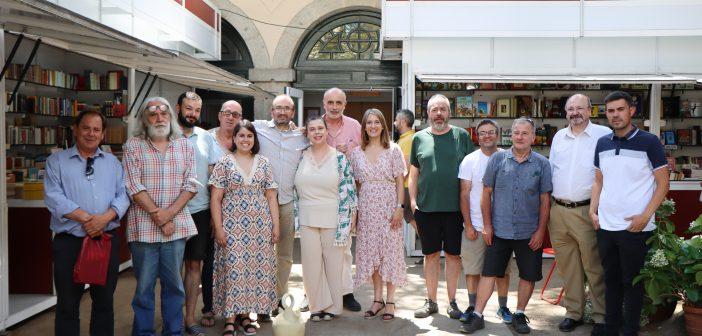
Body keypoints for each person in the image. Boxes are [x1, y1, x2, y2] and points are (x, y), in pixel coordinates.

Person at [461, 117, 552, 335]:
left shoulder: (542, 163)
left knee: (528, 275)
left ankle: (519, 314)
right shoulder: (498, 160)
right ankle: (478, 315)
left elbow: (545, 200)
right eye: (516, 133)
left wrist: (541, 231)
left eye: (524, 133)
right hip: (499, 230)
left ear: (532, 137)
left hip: (529, 232)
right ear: (511, 135)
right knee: (489, 273)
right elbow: (486, 194)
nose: (519, 137)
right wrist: (488, 226)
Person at [590, 91, 669, 336]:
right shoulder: (602, 143)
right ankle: (611, 328)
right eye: (610, 110)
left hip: (635, 227)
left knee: (632, 282)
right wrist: (593, 211)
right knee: (610, 280)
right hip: (605, 226)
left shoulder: (649, 142)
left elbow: (663, 183)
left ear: (631, 111)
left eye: (620, 109)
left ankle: (630, 330)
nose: (615, 115)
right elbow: (598, 181)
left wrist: (645, 217)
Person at [44, 111, 130, 336]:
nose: (91, 134)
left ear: (103, 134)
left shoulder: (113, 163)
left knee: (103, 304)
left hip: (104, 242)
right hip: (69, 244)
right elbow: (53, 197)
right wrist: (86, 218)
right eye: (86, 128)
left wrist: (104, 219)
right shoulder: (56, 162)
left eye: (96, 129)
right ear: (75, 129)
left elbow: (123, 195)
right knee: (67, 305)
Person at [123, 97, 198, 335]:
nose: (159, 118)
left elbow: (192, 184)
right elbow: (133, 186)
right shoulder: (133, 145)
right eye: (153, 113)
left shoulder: (185, 145)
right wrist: (160, 216)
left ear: (171, 117)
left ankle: (173, 332)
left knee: (174, 286)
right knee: (144, 288)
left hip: (175, 229)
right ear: (145, 118)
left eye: (164, 113)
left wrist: (169, 215)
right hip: (143, 230)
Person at [209, 120, 280, 336]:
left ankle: (247, 316)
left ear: (254, 140)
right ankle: (230, 319)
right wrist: (219, 228)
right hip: (232, 227)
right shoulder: (224, 163)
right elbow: (215, 199)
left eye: (249, 136)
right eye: (241, 136)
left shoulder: (264, 163)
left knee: (252, 271)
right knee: (233, 270)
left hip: (259, 228)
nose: (245, 140)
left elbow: (271, 196)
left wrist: (276, 226)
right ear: (234, 138)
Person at [549, 94, 611, 333]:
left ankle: (601, 316)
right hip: (558, 210)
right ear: (566, 112)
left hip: (587, 210)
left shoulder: (603, 135)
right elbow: (554, 170)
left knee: (593, 266)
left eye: (580, 108)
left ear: (590, 111)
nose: (575, 113)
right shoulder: (558, 137)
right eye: (570, 109)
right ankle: (573, 313)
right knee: (568, 266)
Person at [408, 94, 474, 319]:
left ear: (449, 112)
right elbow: (413, 174)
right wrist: (413, 202)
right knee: (431, 255)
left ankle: (453, 301)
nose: (438, 113)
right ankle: (431, 301)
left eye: (443, 109)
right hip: (427, 209)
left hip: (455, 210)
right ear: (427, 113)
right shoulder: (419, 138)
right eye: (434, 109)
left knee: (454, 256)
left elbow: (471, 173)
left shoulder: (462, 136)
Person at [294, 116, 357, 322]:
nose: (317, 132)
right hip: (306, 217)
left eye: (320, 128)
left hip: (333, 217)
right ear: (307, 133)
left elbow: (349, 191)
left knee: (333, 263)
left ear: (326, 132)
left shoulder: (339, 158)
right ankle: (316, 306)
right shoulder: (300, 156)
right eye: (312, 129)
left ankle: (333, 306)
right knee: (311, 265)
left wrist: (349, 221)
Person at [252, 94, 308, 319]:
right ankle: (261, 301)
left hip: (286, 203)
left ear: (293, 112)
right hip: (260, 203)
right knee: (261, 255)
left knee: (284, 255)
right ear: (271, 111)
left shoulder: (302, 137)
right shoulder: (258, 129)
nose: (282, 112)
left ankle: (279, 297)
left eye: (287, 108)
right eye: (278, 108)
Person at [350, 109, 407, 321]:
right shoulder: (356, 153)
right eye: (369, 123)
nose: (373, 126)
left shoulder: (393, 150)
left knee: (389, 253)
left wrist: (400, 207)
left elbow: (400, 181)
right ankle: (377, 299)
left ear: (383, 125)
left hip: (388, 206)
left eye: (377, 122)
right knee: (372, 255)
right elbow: (356, 185)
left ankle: (390, 300)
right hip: (367, 209)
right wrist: (356, 213)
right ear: (364, 127)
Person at [457, 119, 513, 325]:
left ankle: (503, 307)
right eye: (482, 133)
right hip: (476, 226)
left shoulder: (509, 157)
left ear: (498, 135)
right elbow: (464, 194)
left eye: (491, 132)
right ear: (477, 137)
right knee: (472, 270)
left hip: (503, 228)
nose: (486, 136)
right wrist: (469, 225)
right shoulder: (469, 160)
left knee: (503, 271)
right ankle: (472, 307)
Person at [174, 91, 221, 335]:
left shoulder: (206, 137)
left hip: (200, 212)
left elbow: (214, 176)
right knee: (171, 269)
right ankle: (172, 319)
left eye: (196, 110)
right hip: (170, 213)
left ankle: (189, 319)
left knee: (194, 266)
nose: (192, 114)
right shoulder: (165, 135)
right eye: (188, 108)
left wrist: (215, 215)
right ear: (178, 107)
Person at [321, 87, 362, 311]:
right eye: (331, 103)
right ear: (324, 104)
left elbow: (366, 152)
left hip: (346, 193)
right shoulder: (316, 125)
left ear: (345, 105)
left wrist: (351, 152)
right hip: (320, 194)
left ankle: (346, 293)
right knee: (319, 249)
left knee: (344, 248)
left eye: (339, 103)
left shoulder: (355, 126)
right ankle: (316, 294)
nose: (334, 107)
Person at [202, 99, 242, 323]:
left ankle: (236, 309)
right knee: (211, 261)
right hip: (210, 207)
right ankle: (209, 307)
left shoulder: (242, 139)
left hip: (237, 212)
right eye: (227, 113)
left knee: (235, 261)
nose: (230, 117)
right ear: (219, 115)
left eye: (235, 114)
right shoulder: (206, 138)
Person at [393, 109, 422, 265]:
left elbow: (404, 168)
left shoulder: (407, 140)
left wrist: (395, 185)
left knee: (410, 218)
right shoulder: (411, 138)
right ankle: (429, 249)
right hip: (409, 185)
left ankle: (430, 249)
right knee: (411, 218)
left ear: (403, 122)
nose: (395, 123)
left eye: (396, 120)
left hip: (405, 186)